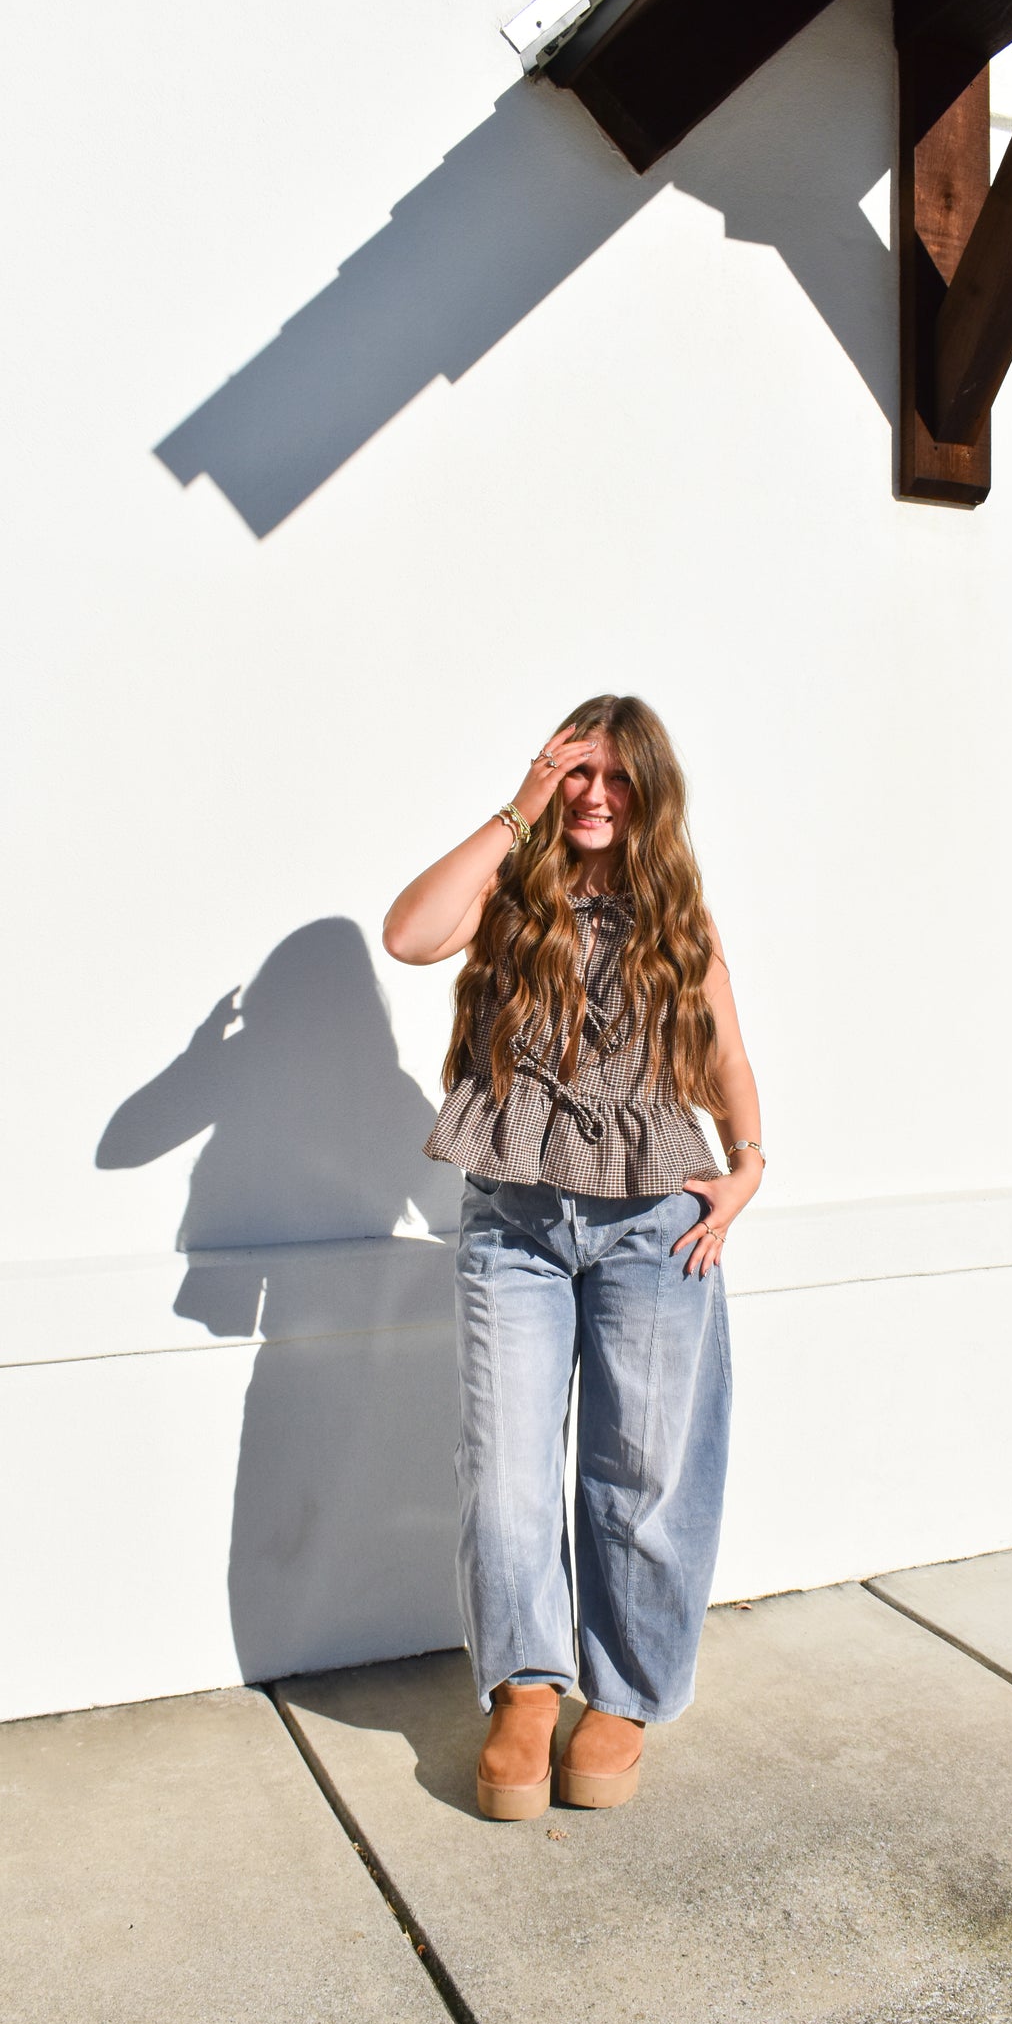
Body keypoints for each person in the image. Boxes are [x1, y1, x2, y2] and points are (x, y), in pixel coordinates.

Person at [382, 695, 764, 1818]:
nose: (595, 795)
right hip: (515, 1218)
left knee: (640, 1470)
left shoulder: (673, 913)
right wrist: (519, 805)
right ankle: (526, 1689)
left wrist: (745, 1166)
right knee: (503, 1467)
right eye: (576, 772)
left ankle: (624, 1693)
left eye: (615, 777)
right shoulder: (513, 885)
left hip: (655, 1220)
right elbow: (408, 934)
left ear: (649, 790)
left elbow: (726, 1054)